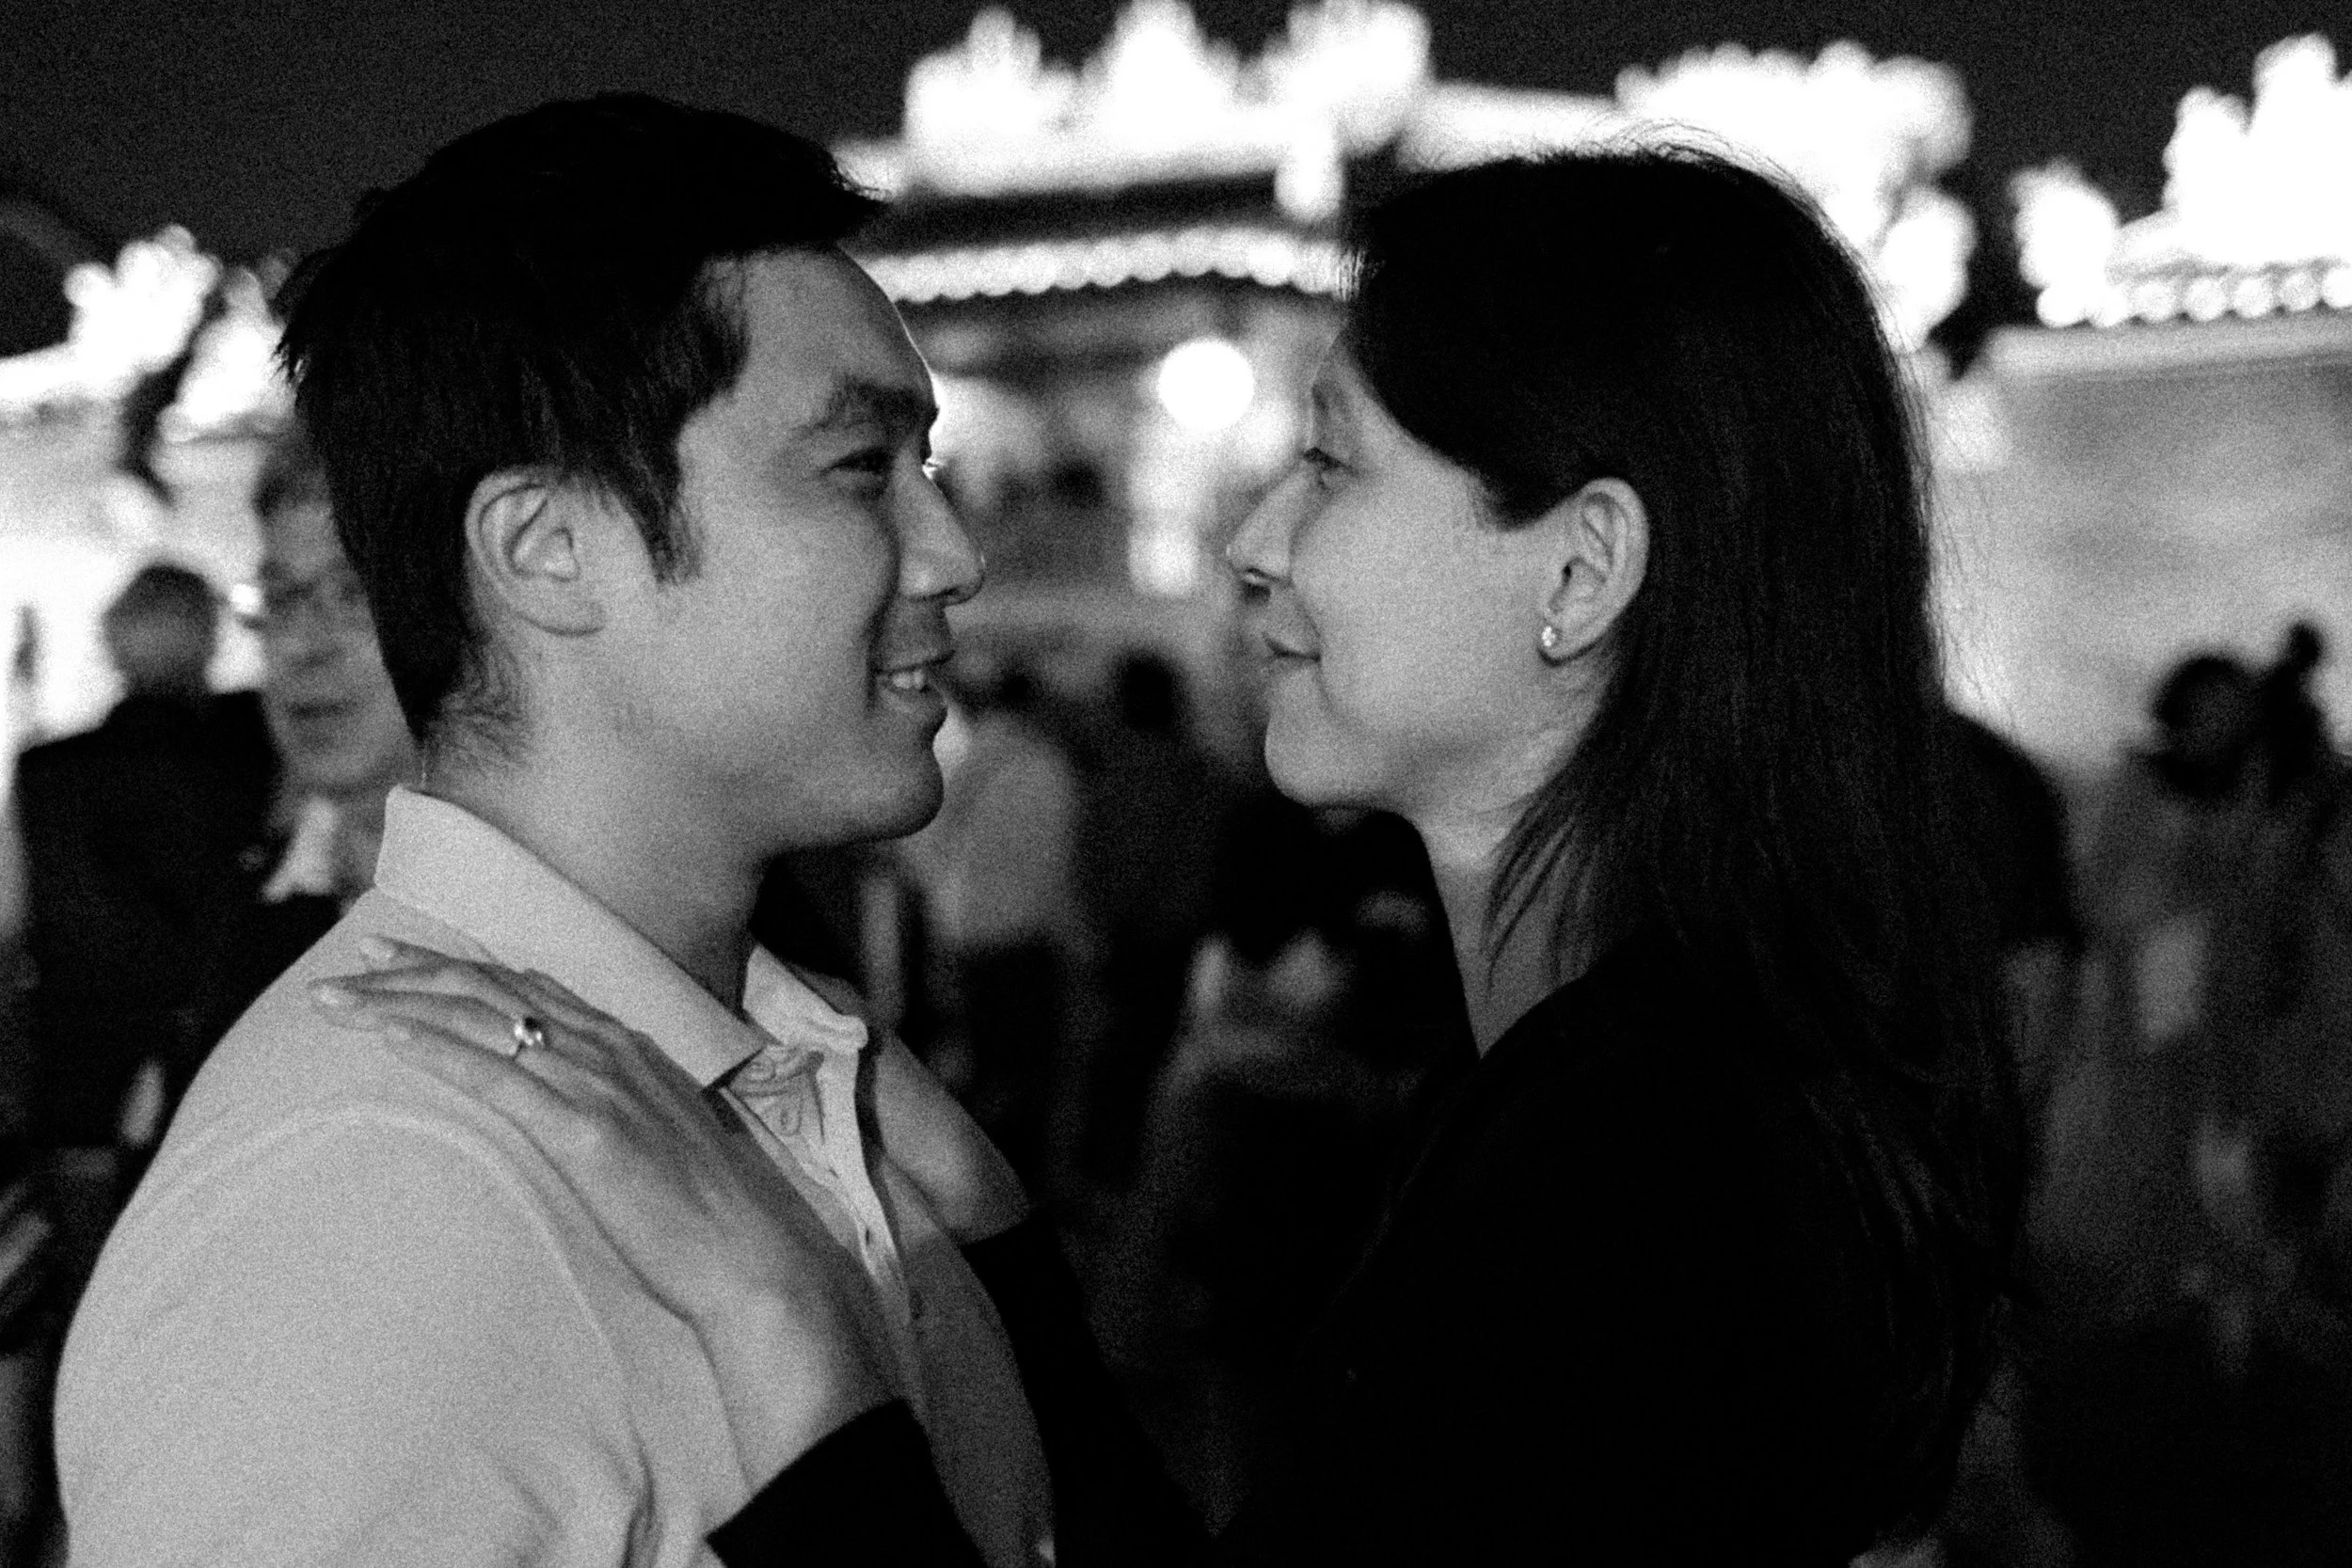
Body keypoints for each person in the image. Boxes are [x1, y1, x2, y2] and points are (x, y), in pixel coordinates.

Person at [319, 148, 2023, 1563]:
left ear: (1579, 573)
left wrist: (786, 1355)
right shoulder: (1626, 1083)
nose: (1253, 546)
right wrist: (999, 1250)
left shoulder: (1640, 1170)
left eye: (1331, 466)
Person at [56, 95, 1210, 1568]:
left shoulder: (804, 1097)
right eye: (860, 469)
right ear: (548, 549)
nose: (955, 554)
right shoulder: (368, 1202)